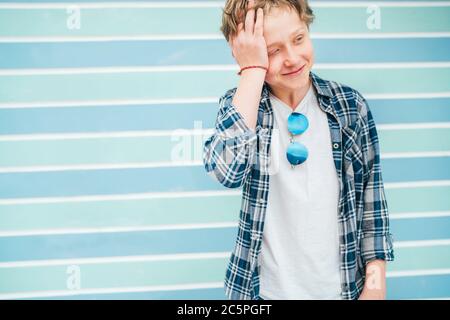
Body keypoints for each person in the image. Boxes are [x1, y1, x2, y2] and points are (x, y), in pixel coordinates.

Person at [203, 0, 394, 300]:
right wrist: (251, 71)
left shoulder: (349, 108)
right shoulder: (243, 107)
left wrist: (374, 285)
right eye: (273, 50)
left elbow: (372, 205)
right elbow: (226, 171)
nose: (292, 58)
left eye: (299, 39)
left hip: (342, 291)